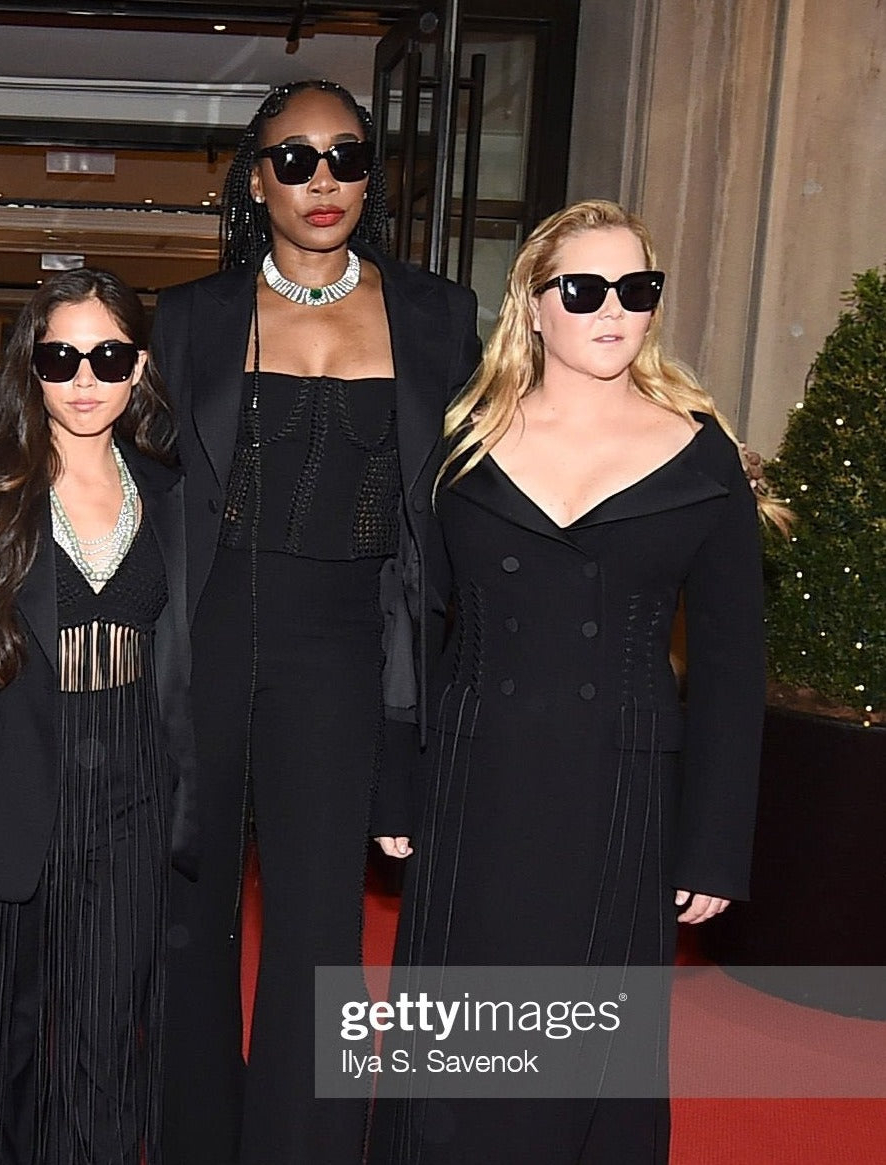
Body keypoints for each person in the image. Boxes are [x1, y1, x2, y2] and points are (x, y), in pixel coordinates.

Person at [366, 199, 782, 1163]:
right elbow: (413, 620)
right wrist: (396, 779)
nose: (612, 311)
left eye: (636, 290)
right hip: (476, 778)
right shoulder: (461, 442)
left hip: (619, 793)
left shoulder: (699, 451)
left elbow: (729, 665)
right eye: (585, 289)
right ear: (534, 303)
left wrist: (712, 844)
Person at [149, 79, 480, 1165]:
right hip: (214, 629)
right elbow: (133, 476)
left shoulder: (435, 312)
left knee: (320, 929)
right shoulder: (196, 315)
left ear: (370, 174)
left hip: (346, 644)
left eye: (346, 155)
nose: (323, 178)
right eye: (295, 159)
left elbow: (480, 484)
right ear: (259, 181)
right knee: (192, 917)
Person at [0, 268, 194, 1164]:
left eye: (107, 355)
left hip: (133, 777)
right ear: (31, 367)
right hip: (16, 774)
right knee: (10, 1028)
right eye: (61, 356)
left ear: (138, 367)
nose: (85, 377)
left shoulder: (172, 493)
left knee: (106, 1019)